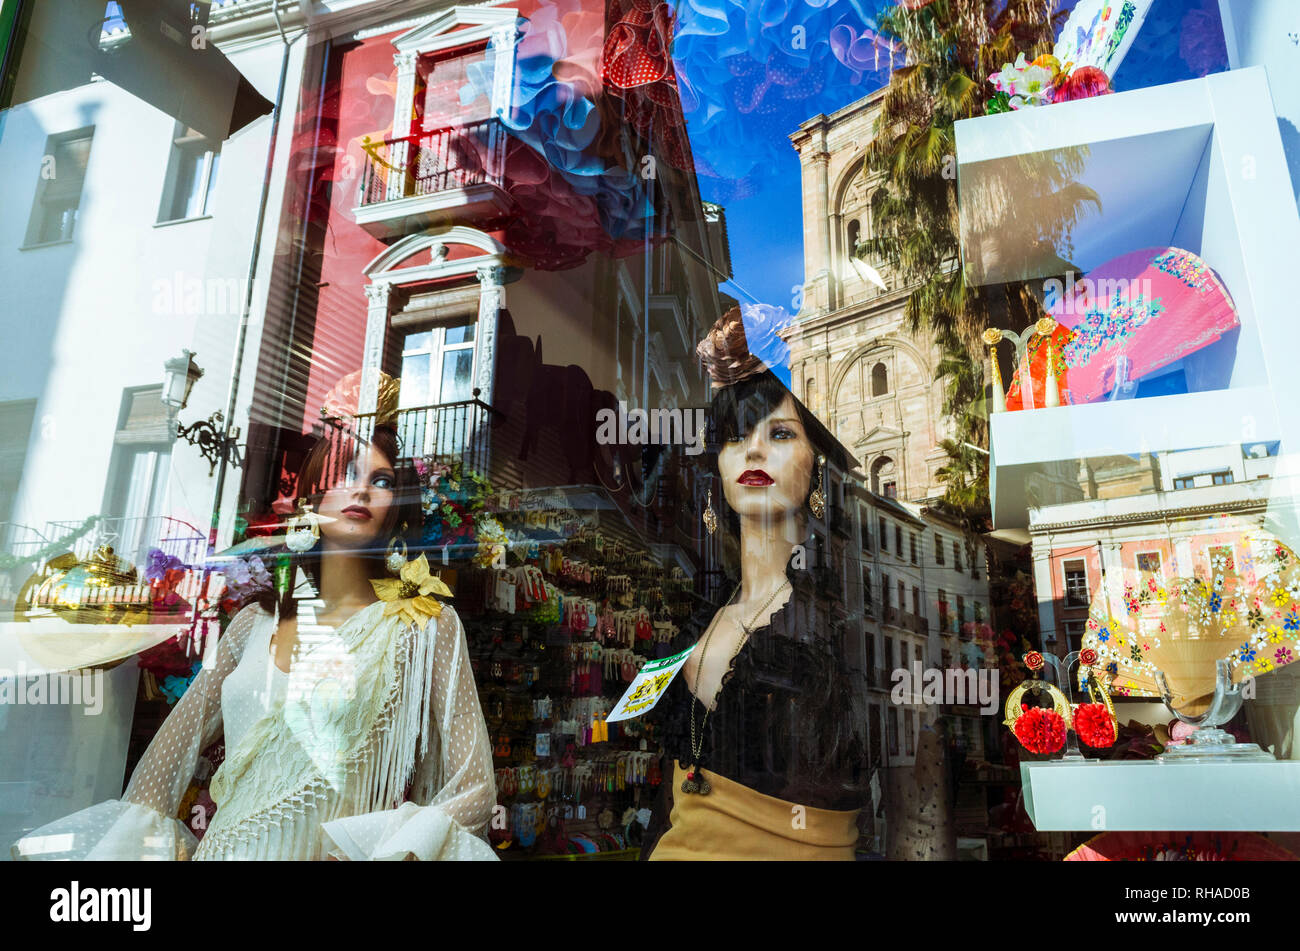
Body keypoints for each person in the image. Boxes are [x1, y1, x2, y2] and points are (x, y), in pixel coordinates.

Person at [11, 372, 497, 861]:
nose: (363, 491)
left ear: (397, 508)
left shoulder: (423, 626)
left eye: (383, 481)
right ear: (310, 496)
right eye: (346, 473)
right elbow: (161, 771)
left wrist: (384, 852)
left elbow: (475, 788)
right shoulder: (252, 623)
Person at [641, 309, 864, 860]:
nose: (755, 451)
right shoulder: (703, 620)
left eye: (780, 433)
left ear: (817, 464)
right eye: (735, 436)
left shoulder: (835, 625)